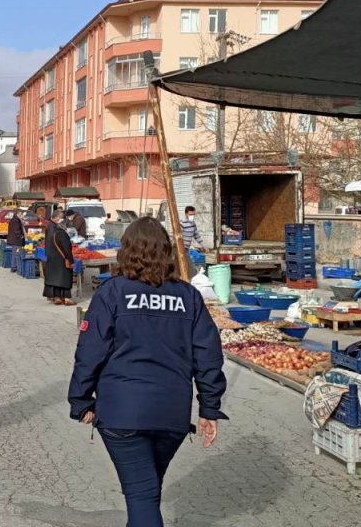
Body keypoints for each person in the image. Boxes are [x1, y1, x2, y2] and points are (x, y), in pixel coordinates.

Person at [69, 217, 227, 527]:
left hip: (122, 413)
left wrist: (80, 400)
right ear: (166, 252)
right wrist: (209, 407)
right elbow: (208, 354)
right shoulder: (188, 296)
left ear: (126, 251)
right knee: (147, 493)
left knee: (142, 497)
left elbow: (90, 350)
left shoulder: (112, 293)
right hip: (172, 414)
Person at [43, 209, 76, 306]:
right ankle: (66, 299)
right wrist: (71, 260)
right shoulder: (62, 234)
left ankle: (57, 297)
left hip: (53, 257)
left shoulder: (53, 230)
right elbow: (67, 249)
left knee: (56, 279)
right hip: (61, 259)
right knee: (65, 279)